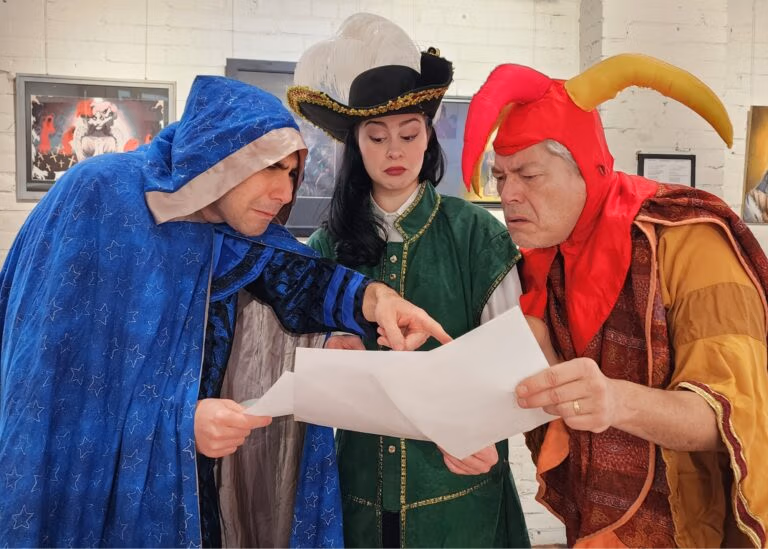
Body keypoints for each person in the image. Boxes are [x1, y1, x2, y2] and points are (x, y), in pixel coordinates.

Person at [0, 75, 450, 548]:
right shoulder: (99, 196)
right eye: (271, 167)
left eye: (292, 174)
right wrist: (178, 424)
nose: (285, 193)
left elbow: (298, 280)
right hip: (101, 509)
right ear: (220, 155)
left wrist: (377, 300)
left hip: (195, 495)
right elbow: (46, 387)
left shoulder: (231, 229)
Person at [462, 54, 768, 547]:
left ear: (585, 168)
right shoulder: (542, 262)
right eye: (500, 177)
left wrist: (617, 400)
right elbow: (548, 398)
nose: (508, 194)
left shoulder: (692, 241)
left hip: (689, 530)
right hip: (592, 525)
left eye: (528, 175)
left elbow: (736, 415)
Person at [287, 13, 530, 548]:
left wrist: (487, 427)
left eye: (408, 133)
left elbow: (515, 355)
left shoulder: (476, 234)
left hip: (458, 487)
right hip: (358, 491)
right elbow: (299, 359)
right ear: (357, 145)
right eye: (376, 137)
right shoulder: (328, 245)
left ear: (429, 137)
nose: (394, 151)